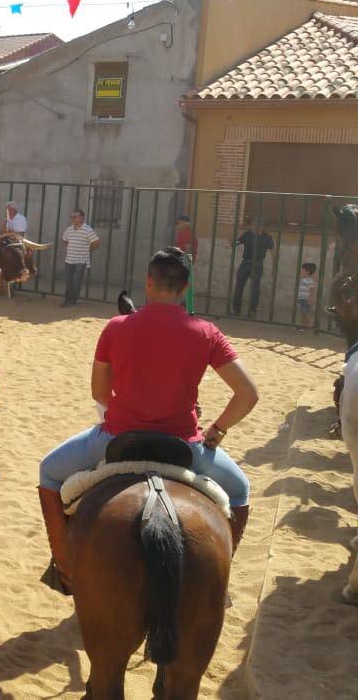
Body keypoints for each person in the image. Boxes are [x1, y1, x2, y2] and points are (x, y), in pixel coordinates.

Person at [36, 248, 257, 594]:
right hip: (185, 443)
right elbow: (248, 394)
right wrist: (217, 430)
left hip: (117, 437)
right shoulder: (207, 332)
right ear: (186, 288)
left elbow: (99, 390)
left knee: (48, 472)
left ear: (148, 282)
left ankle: (64, 565)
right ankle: (218, 580)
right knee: (240, 491)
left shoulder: (116, 326)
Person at [232, 219, 275, 318]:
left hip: (257, 264)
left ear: (261, 227)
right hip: (245, 262)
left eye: (257, 225)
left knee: (255, 288)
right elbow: (234, 244)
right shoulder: (247, 234)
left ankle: (252, 310)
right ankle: (236, 310)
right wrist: (232, 237)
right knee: (239, 286)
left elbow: (273, 253)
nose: (254, 227)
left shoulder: (267, 237)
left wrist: (274, 267)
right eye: (253, 225)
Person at [60, 209, 100, 307]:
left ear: (81, 218)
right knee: (69, 281)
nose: (72, 219)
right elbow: (64, 240)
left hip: (81, 261)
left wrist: (86, 250)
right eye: (72, 217)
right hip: (69, 259)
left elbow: (96, 242)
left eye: (75, 217)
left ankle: (72, 301)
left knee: (76, 281)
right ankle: (67, 300)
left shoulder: (87, 229)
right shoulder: (69, 229)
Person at [174, 214, 198, 314]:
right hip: (184, 260)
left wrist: (184, 263)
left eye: (179, 223)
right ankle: (185, 306)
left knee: (183, 284)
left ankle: (185, 306)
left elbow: (188, 249)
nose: (177, 225)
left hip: (185, 260)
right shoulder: (185, 233)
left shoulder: (186, 233)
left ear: (184, 223)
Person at [298, 262, 318, 331]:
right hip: (303, 299)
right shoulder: (304, 280)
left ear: (307, 272)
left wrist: (311, 299)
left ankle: (308, 326)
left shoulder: (309, 280)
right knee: (303, 313)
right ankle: (303, 326)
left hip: (306, 300)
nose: (301, 272)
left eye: (302, 270)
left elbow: (312, 290)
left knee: (305, 313)